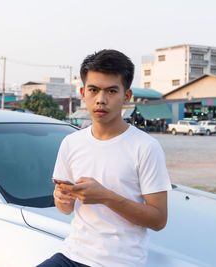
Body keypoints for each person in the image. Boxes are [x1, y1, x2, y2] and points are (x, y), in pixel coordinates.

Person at [38, 50, 172, 267]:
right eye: (93, 90)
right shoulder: (71, 143)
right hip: (71, 255)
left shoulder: (146, 147)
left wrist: (106, 197)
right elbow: (65, 208)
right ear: (83, 93)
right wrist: (62, 199)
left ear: (126, 97)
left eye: (111, 91)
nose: (101, 99)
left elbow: (158, 220)